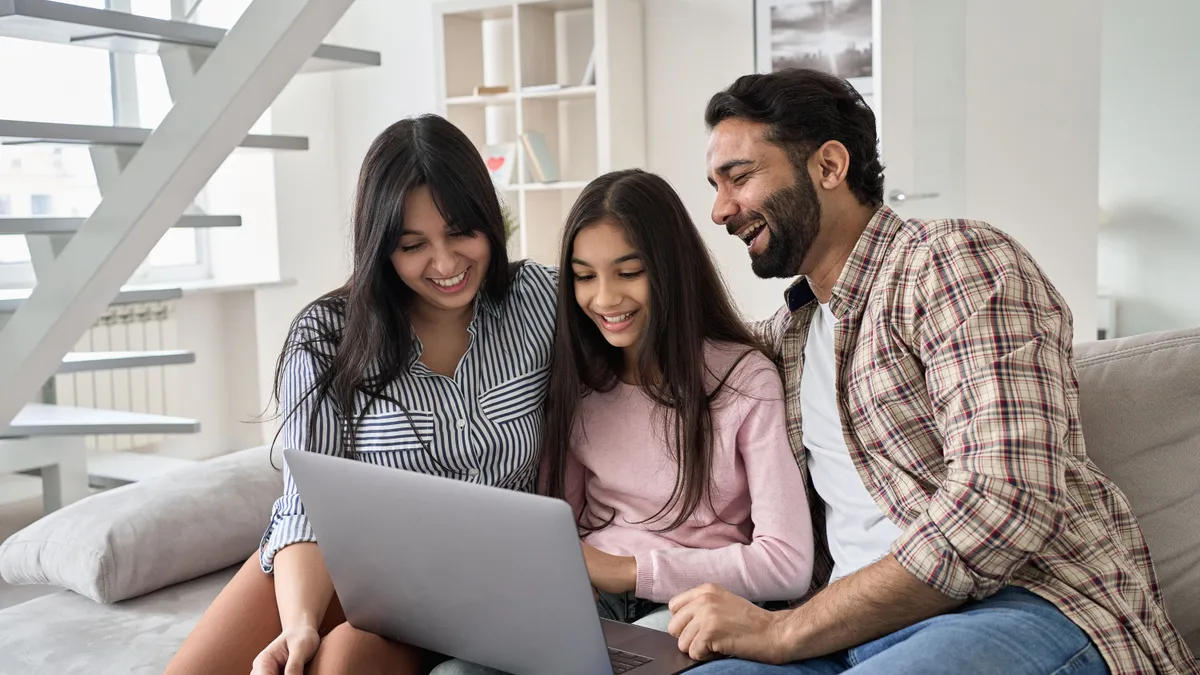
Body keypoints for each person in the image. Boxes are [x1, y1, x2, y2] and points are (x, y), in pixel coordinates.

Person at [666, 69, 1200, 675]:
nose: (718, 210)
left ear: (830, 166)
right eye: (714, 185)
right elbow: (664, 372)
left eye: (739, 177)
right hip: (844, 634)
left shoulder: (952, 264)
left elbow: (1005, 501)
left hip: (1023, 605)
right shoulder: (786, 339)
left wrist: (788, 630)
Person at [164, 114, 558, 675]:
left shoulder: (540, 301)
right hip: (352, 560)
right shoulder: (327, 335)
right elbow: (307, 501)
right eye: (413, 245)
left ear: (489, 224)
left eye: (462, 233)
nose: (445, 264)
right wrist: (298, 622)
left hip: (479, 578)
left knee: (344, 661)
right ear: (381, 248)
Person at [432, 169, 815, 675]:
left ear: (670, 269)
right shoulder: (578, 383)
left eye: (628, 272)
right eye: (585, 276)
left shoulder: (743, 379)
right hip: (589, 603)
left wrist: (627, 572)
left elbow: (787, 564)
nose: (605, 299)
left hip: (691, 608)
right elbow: (558, 523)